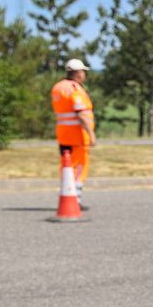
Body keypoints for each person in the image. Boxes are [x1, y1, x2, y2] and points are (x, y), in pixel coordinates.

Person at [50, 59, 96, 209]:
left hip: (63, 134)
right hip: (78, 136)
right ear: (77, 73)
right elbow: (81, 113)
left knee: (66, 165)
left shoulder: (57, 87)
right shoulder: (75, 89)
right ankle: (75, 197)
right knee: (79, 166)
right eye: (83, 72)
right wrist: (91, 133)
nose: (84, 75)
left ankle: (67, 192)